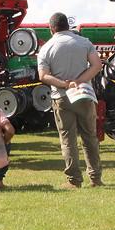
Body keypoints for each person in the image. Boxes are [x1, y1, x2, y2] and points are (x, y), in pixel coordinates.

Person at [37, 12, 103, 189]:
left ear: (51, 29)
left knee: (68, 140)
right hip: (84, 95)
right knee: (90, 137)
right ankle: (95, 178)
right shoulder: (84, 42)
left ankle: (74, 180)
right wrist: (79, 81)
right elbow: (97, 65)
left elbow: (43, 75)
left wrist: (64, 84)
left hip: (61, 97)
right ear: (68, 25)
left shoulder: (46, 48)